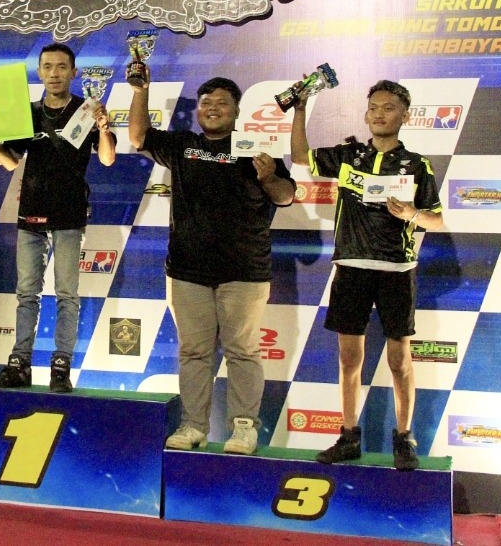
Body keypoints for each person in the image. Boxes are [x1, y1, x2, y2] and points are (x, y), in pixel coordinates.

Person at [128, 66, 295, 456]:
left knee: (243, 352)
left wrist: (269, 177)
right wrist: (140, 90)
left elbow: (286, 196)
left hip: (244, 272)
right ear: (198, 111)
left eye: (222, 103)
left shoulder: (256, 148)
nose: (213, 108)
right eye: (206, 103)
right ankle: (193, 426)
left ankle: (244, 429)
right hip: (187, 271)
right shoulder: (184, 145)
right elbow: (138, 136)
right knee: (193, 353)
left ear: (237, 112)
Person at [290, 78, 443, 470]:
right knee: (348, 359)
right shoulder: (348, 155)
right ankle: (348, 436)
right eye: (373, 107)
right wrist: (300, 109)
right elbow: (300, 156)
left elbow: (437, 221)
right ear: (365, 114)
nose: (379, 114)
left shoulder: (417, 165)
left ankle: (404, 439)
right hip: (351, 268)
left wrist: (412, 214)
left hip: (397, 270)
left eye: (389, 108)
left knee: (400, 362)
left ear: (405, 116)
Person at [0, 42, 116, 392]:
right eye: (48, 67)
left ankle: (61, 365)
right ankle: (19, 364)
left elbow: (107, 159)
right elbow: (9, 162)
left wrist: (103, 128)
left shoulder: (88, 110)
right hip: (31, 213)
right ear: (39, 72)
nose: (54, 73)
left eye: (61, 67)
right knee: (27, 293)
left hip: (69, 214)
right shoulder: (27, 113)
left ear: (74, 72)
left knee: (67, 293)